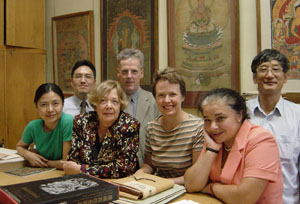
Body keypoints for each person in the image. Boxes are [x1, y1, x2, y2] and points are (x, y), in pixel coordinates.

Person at [184, 88, 283, 203]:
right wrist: (211, 150)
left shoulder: (262, 140)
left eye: (220, 118)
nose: (213, 127)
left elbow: (244, 198)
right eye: (207, 120)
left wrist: (211, 187)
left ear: (239, 115)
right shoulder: (215, 139)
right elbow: (191, 185)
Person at [247, 49, 300, 204]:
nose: (269, 75)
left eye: (276, 69)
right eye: (263, 69)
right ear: (254, 78)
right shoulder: (240, 113)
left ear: (285, 77)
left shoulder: (298, 115)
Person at [136, 68, 204, 185]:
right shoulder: (152, 128)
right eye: (161, 95)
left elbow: (197, 175)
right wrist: (141, 172)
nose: (167, 100)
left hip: (187, 191)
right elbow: (149, 165)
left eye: (172, 94)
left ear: (183, 97)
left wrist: (162, 182)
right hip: (159, 189)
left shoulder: (198, 127)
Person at [63, 80, 140, 178]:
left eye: (114, 101)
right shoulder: (81, 122)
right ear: (95, 105)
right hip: (84, 181)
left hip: (118, 184)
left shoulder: (129, 125)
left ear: (120, 105)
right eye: (103, 101)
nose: (108, 106)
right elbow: (73, 160)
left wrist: (82, 169)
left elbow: (123, 168)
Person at [117, 48, 160, 168]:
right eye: (125, 72)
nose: (129, 76)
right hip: (115, 168)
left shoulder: (154, 101)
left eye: (134, 71)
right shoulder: (110, 102)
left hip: (146, 168)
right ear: (118, 73)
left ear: (141, 73)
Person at [16, 83, 73, 169]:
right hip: (44, 172)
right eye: (44, 105)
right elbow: (19, 147)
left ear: (63, 104)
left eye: (55, 103)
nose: (50, 109)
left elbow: (65, 164)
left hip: (64, 173)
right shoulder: (33, 126)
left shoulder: (67, 122)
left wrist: (41, 162)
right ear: (36, 106)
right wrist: (28, 155)